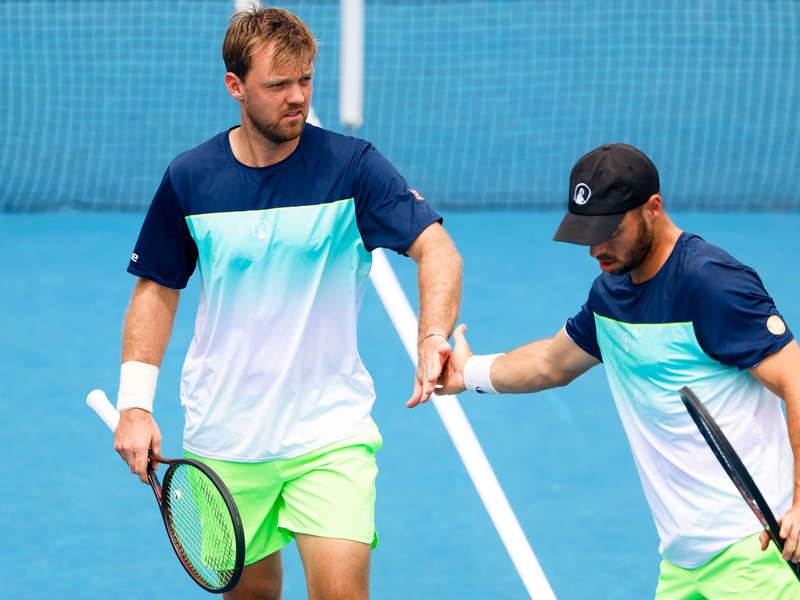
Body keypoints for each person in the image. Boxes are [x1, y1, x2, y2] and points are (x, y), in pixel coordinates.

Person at [113, 6, 461, 599]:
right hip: (225, 437)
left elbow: (439, 251)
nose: (296, 97)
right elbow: (157, 290)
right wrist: (135, 405)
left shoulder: (352, 167)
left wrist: (432, 336)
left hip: (328, 433)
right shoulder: (190, 178)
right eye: (278, 85)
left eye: (304, 81)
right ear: (236, 86)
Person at [437, 143, 800, 598]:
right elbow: (551, 363)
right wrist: (469, 373)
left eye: (610, 230)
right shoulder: (610, 295)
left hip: (754, 552)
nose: (595, 248)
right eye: (586, 232)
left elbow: (795, 378)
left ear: (653, 209)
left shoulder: (711, 283)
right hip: (682, 563)